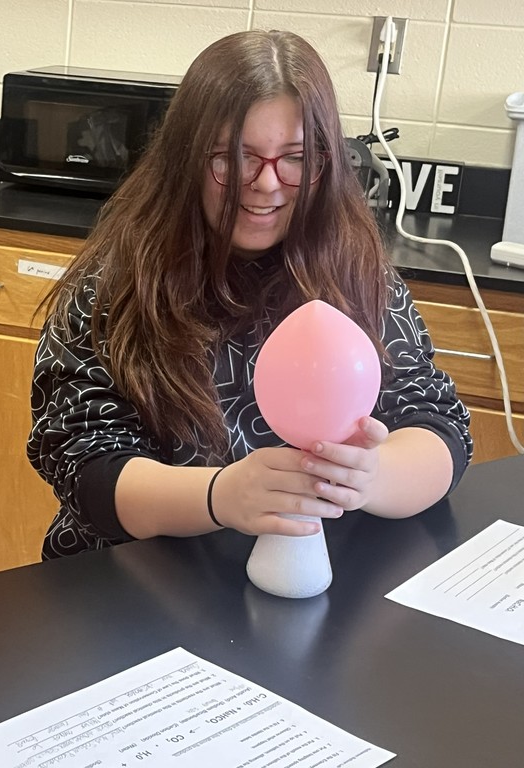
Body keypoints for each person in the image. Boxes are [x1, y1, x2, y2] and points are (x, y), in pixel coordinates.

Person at [27, 29, 472, 560]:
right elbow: (82, 464)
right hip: (137, 583)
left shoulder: (358, 276)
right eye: (233, 157)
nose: (265, 183)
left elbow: (438, 424)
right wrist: (220, 497)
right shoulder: (117, 283)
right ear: (185, 158)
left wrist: (372, 478)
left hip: (309, 579)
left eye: (295, 158)